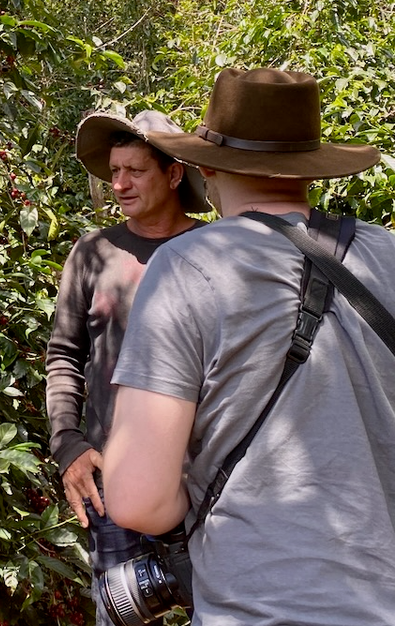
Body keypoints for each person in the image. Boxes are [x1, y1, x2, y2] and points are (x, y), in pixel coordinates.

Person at [102, 67, 395, 625]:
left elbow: (139, 498)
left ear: (205, 164)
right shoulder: (389, 254)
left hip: (261, 606)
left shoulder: (189, 265)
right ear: (311, 166)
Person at [45, 110, 209, 622]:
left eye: (134, 171)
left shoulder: (215, 249)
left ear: (174, 173)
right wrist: (68, 445)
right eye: (113, 172)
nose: (119, 184)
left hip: (207, 483)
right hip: (112, 481)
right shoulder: (94, 253)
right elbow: (64, 355)